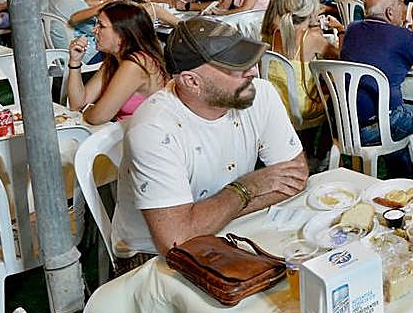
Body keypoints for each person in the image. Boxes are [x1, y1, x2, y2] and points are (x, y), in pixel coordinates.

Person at [109, 18, 309, 267]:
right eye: (234, 66)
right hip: (152, 256)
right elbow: (176, 241)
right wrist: (247, 188)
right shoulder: (154, 128)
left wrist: (210, 216)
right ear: (192, 82)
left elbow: (296, 177)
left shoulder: (260, 93)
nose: (253, 71)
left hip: (232, 230)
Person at [339, 0, 413, 177]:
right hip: (379, 125)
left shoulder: (352, 29)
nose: (402, 12)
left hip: (344, 122)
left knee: (401, 111)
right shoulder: (403, 37)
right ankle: (405, 171)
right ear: (389, 12)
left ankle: (399, 164)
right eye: (399, 7)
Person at [65, 2, 169, 125]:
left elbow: (98, 116)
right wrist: (75, 62)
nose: (94, 30)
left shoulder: (136, 64)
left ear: (121, 35)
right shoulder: (114, 60)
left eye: (101, 26)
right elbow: (77, 105)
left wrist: (89, 110)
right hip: (122, 132)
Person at [266, 0, 335, 122]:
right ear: (311, 12)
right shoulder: (312, 37)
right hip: (302, 108)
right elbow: (343, 57)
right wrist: (340, 29)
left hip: (277, 104)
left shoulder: (277, 33)